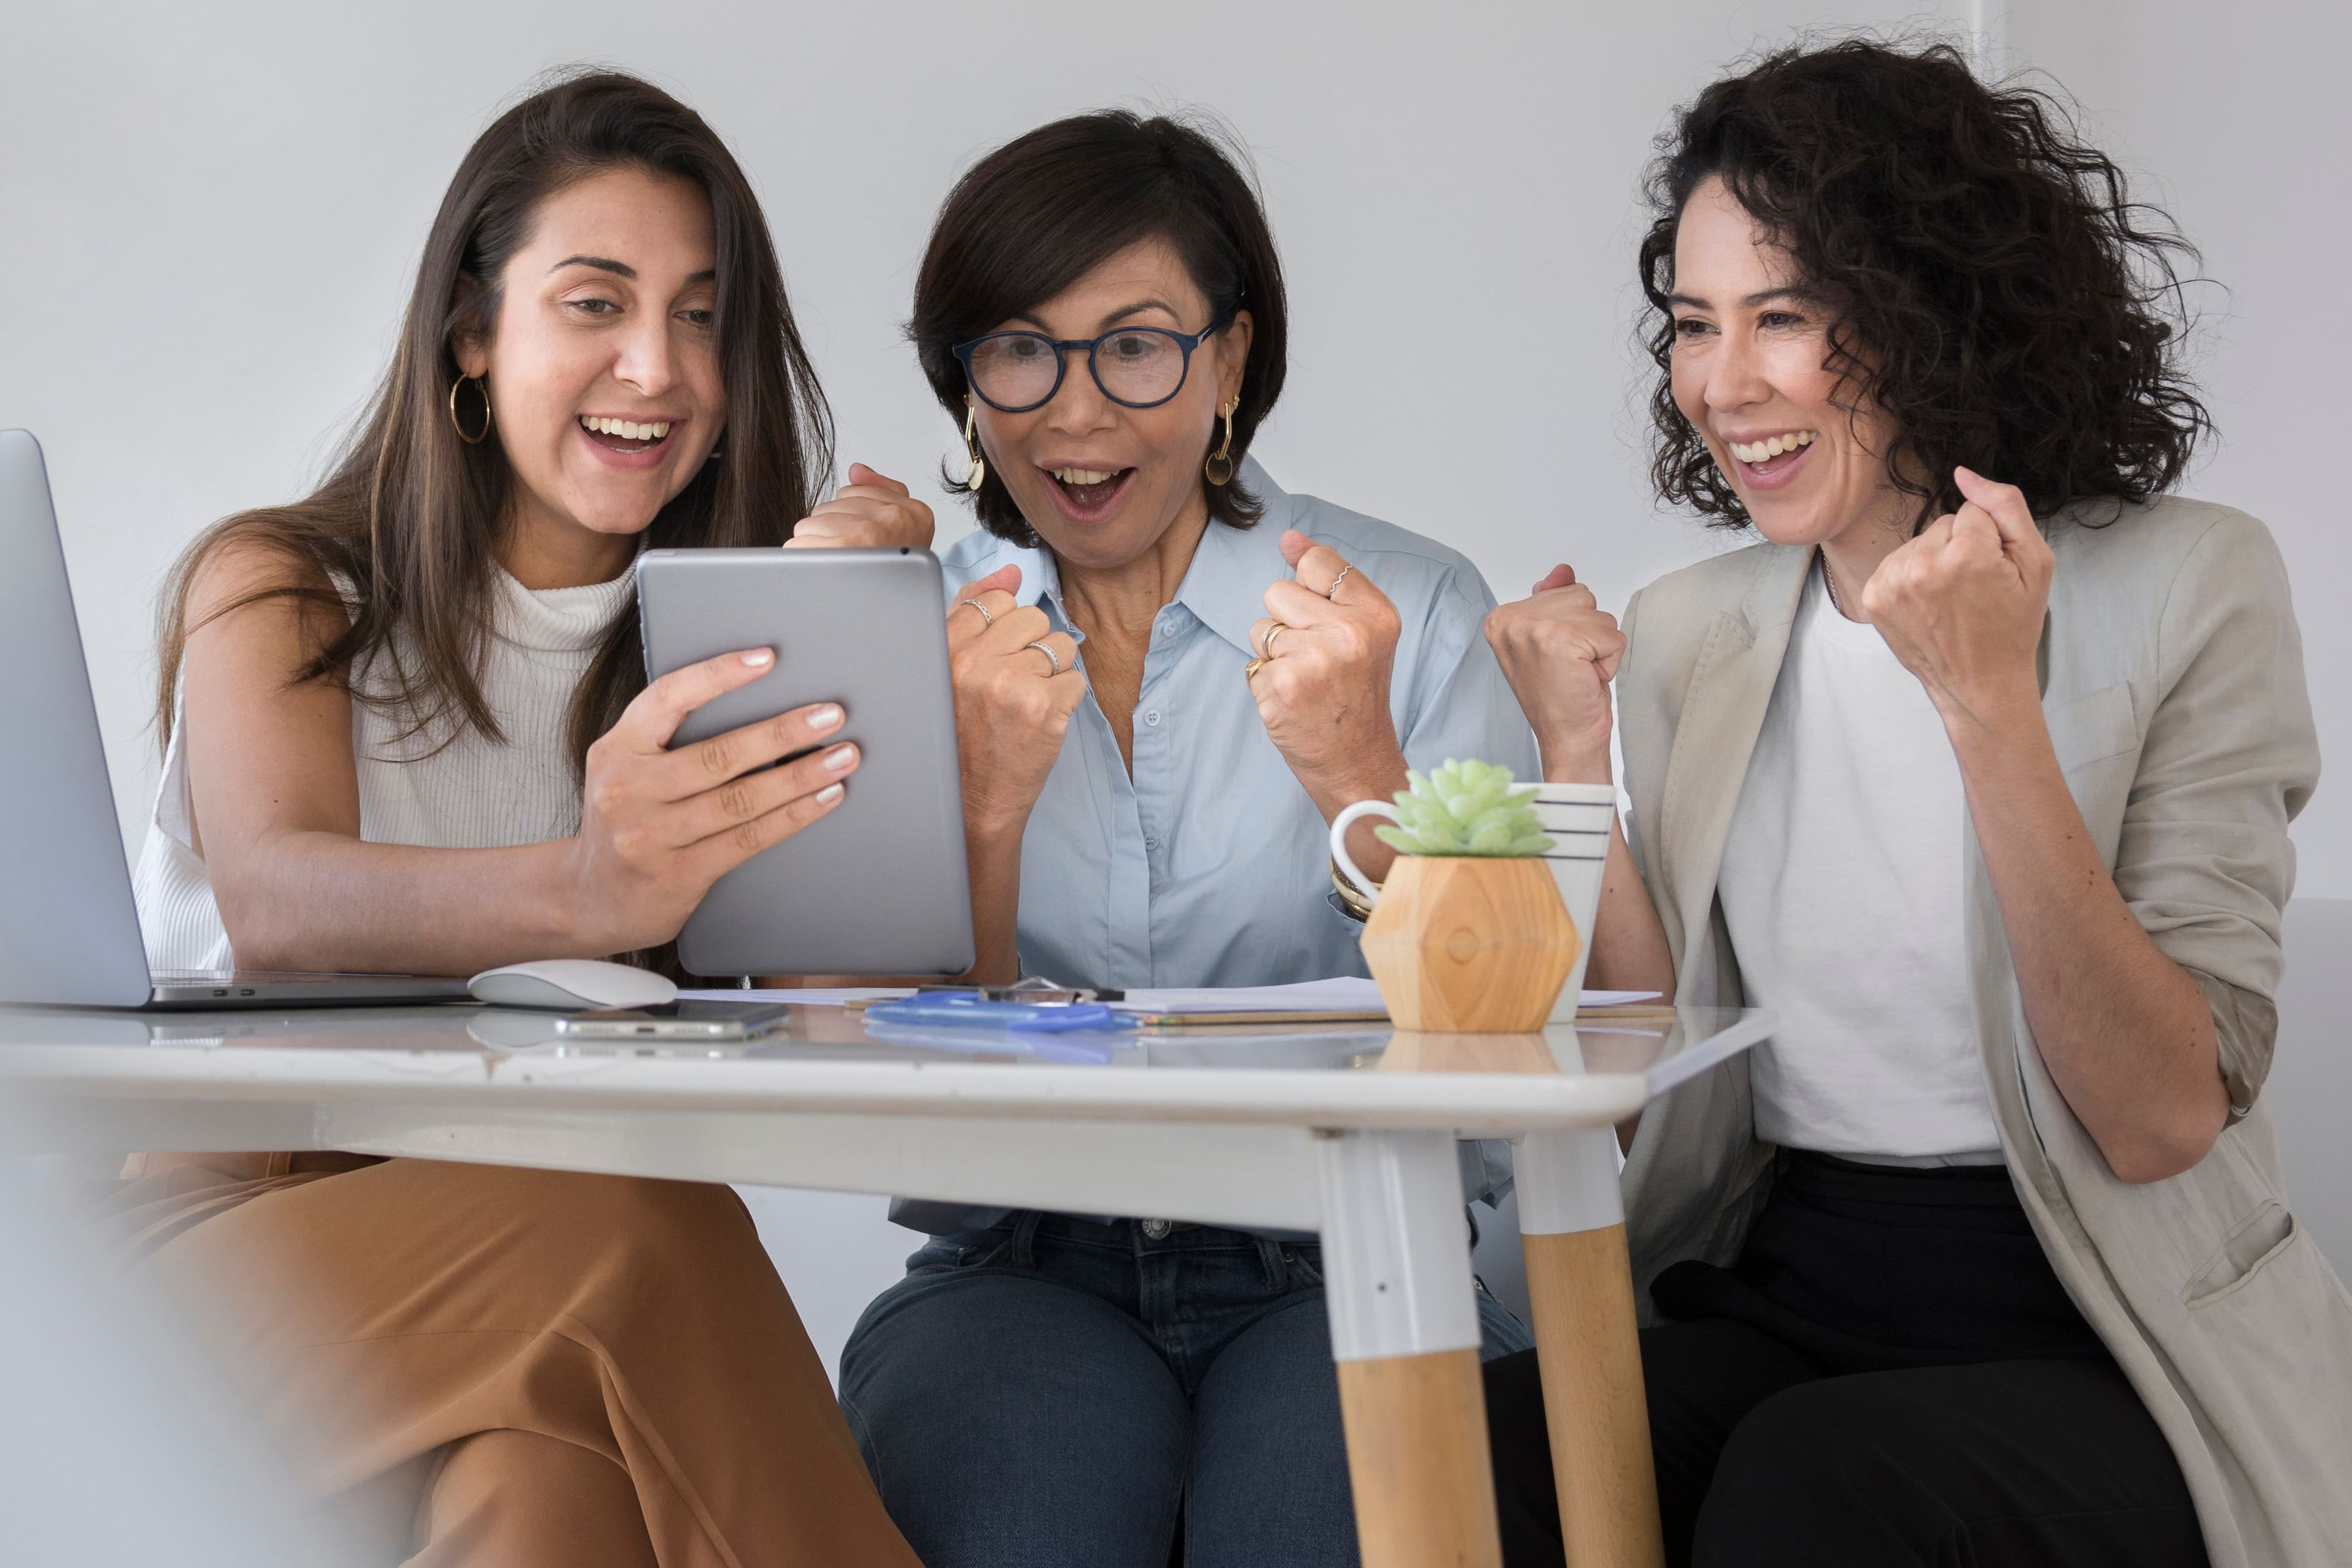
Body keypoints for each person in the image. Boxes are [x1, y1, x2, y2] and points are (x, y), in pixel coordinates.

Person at [1477, 40, 2352, 1567]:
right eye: (1694, 326)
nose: (1724, 385)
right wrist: (1572, 755)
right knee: (1494, 1438)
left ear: (1931, 314)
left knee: (1816, 1482)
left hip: (2102, 1322)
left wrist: (1986, 707)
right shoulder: (1700, 622)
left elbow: (2156, 1121)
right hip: (1792, 1273)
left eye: (1787, 317)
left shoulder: (2191, 582)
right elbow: (1654, 1066)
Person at [113, 71, 928, 1567]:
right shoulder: (282, 584)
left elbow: (837, 1005)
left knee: (552, 1502)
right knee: (632, 1235)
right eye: (596, 302)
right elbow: (285, 901)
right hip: (219, 1255)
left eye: (699, 315)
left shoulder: (719, 641)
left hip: (536, 1273)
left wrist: (852, 623)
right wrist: (588, 885)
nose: (657, 364)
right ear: (474, 338)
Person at [837, 112, 1536, 1568]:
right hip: (1020, 1258)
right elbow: (890, 1098)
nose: (1075, 413)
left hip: (1344, 1257)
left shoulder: (1412, 613)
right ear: (965, 382)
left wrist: (1360, 768)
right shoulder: (906, 623)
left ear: (1229, 361)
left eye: (1138, 345)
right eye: (1019, 348)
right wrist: (979, 814)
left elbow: (1503, 1066)